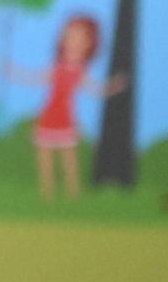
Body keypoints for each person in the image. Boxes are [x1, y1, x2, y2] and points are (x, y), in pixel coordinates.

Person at [17, 11, 114, 200]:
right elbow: (37, 77)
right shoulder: (57, 66)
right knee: (44, 155)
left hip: (65, 115)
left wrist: (111, 87)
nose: (73, 41)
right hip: (49, 113)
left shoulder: (79, 69)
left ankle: (73, 193)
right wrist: (16, 73)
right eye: (69, 36)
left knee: (68, 155)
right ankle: (47, 194)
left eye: (80, 38)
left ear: (89, 43)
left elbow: (94, 88)